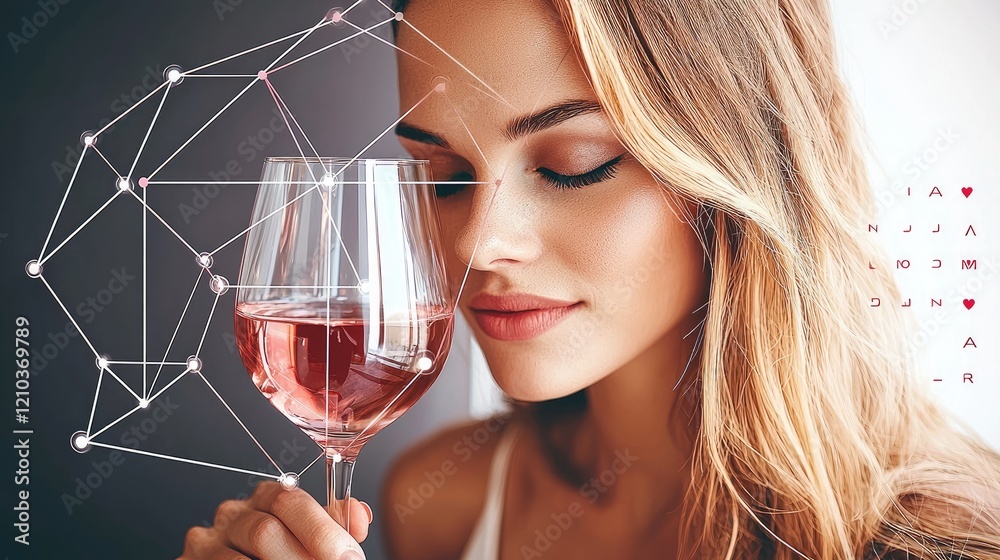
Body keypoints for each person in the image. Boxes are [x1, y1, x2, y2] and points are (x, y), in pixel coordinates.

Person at [179, 0, 1000, 558]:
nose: (478, 243)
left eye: (575, 166)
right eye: (445, 175)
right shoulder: (437, 503)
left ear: (743, 169)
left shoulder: (948, 541)